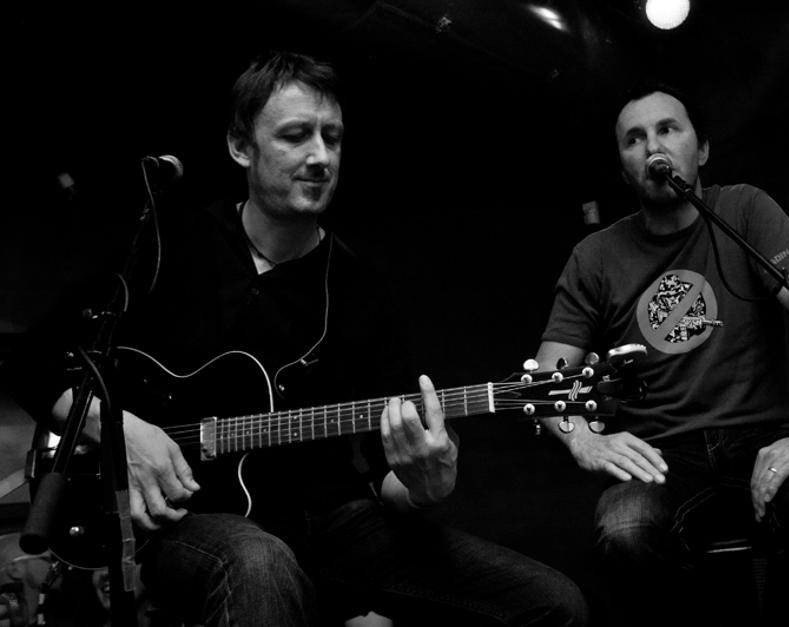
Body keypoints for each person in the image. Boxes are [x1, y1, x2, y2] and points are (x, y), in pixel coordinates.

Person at [1, 50, 588, 626]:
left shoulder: (360, 288)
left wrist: (426, 484)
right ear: (241, 146)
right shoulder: (167, 247)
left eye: (332, 137)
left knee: (551, 602)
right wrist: (123, 432)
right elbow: (27, 361)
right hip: (187, 522)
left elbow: (388, 473)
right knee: (260, 563)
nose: (321, 156)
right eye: (295, 135)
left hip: (331, 524)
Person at [534, 81, 789, 625]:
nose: (652, 146)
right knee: (623, 529)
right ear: (624, 169)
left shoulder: (745, 208)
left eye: (667, 129)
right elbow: (548, 373)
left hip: (766, 434)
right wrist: (583, 438)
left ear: (701, 148)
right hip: (662, 455)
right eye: (634, 139)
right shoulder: (594, 256)